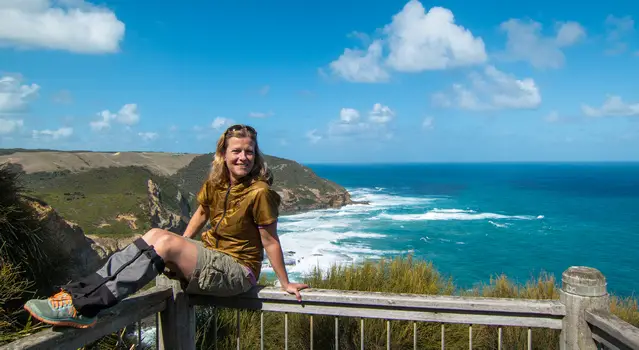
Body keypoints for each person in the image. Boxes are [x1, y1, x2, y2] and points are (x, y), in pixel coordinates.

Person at [23, 124, 309, 329]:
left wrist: (285, 283)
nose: (243, 157)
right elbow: (201, 212)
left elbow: (270, 241)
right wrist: (182, 240)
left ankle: (84, 306)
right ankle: (75, 296)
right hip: (212, 256)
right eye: (236, 151)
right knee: (154, 235)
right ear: (223, 153)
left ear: (255, 155)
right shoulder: (216, 184)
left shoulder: (259, 192)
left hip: (238, 270)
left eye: (249, 152)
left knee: (166, 243)